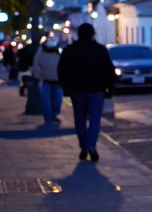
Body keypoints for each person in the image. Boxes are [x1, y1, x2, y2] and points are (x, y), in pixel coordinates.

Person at [57, 23, 115, 162]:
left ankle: (83, 146)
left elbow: (62, 71)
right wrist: (109, 89)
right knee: (95, 120)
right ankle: (91, 145)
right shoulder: (100, 50)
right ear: (92, 34)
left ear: (79, 34)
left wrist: (66, 89)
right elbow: (109, 70)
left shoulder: (69, 50)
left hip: (77, 91)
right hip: (96, 89)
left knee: (80, 119)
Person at [30, 36, 63, 124]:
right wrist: (39, 75)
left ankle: (54, 116)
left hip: (57, 81)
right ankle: (49, 118)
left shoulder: (59, 52)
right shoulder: (41, 52)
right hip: (46, 80)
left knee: (57, 101)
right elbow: (36, 64)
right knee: (47, 102)